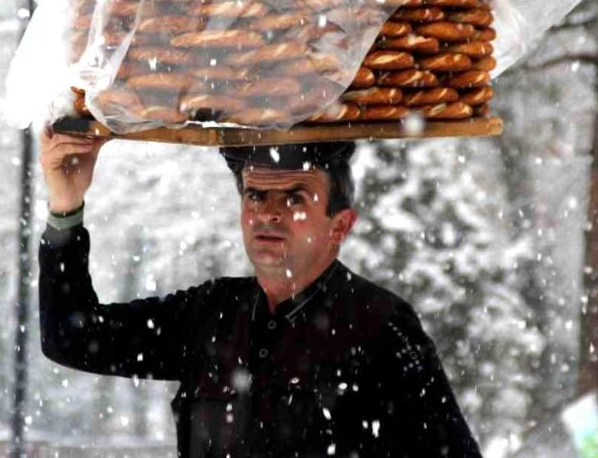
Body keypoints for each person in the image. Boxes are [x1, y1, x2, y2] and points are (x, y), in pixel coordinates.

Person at [39, 126, 482, 458]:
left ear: (340, 225)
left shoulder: (379, 326)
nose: (267, 214)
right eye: (255, 196)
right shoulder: (210, 314)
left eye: (294, 199)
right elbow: (72, 336)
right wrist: (66, 206)